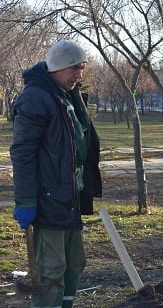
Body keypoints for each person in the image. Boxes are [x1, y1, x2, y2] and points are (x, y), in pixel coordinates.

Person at [11, 40, 102, 308]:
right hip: (48, 198)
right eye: (75, 68)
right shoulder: (36, 97)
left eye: (82, 68)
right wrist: (26, 201)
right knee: (51, 271)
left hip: (70, 197)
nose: (79, 75)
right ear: (59, 67)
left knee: (74, 264)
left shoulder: (68, 96)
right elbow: (23, 153)